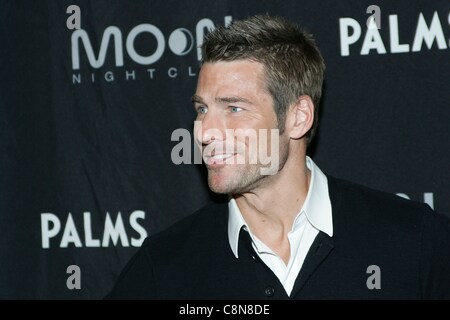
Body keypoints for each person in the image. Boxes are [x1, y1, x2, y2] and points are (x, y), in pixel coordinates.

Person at [106, 14, 450, 299]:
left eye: (234, 108)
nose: (203, 132)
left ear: (298, 117)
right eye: (201, 109)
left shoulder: (413, 241)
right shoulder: (164, 268)